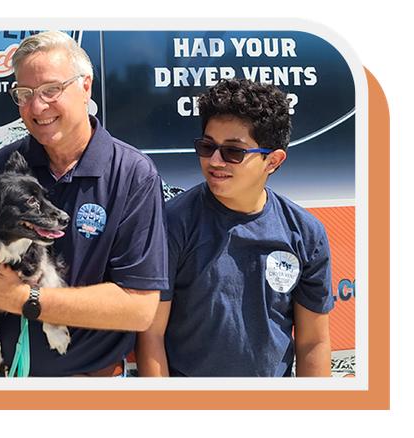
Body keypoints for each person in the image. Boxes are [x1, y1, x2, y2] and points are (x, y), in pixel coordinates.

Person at [0, 30, 168, 377]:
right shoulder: (6, 166)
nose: (37, 106)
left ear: (86, 85)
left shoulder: (131, 175)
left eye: (51, 90)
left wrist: (22, 299)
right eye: (24, 94)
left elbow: (138, 308)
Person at [135, 78, 333, 377]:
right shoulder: (172, 222)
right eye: (207, 146)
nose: (215, 160)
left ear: (273, 160)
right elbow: (151, 335)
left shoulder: (306, 234)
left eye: (233, 152)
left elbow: (312, 343)